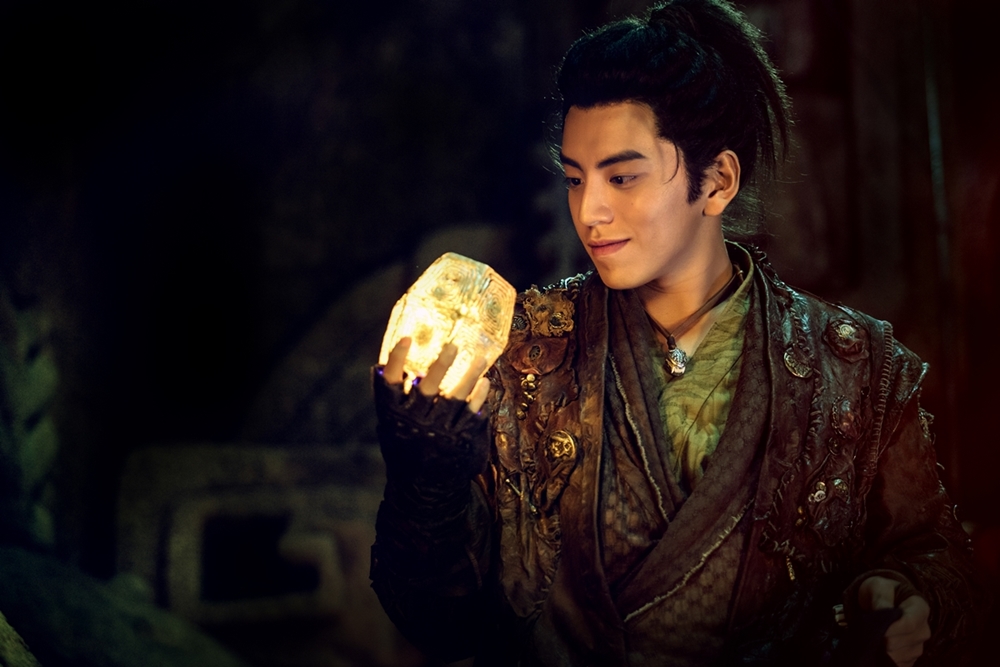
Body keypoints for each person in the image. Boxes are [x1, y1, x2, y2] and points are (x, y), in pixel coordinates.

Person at [369, 1, 983, 665]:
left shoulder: (858, 371)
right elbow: (437, 622)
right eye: (574, 178)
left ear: (716, 181)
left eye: (621, 176)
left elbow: (938, 555)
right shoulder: (516, 352)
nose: (589, 210)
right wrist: (424, 475)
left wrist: (903, 594)